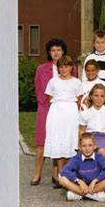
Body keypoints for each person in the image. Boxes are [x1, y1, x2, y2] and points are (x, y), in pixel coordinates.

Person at [31, 38, 77, 186]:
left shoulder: (72, 68)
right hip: (46, 108)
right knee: (42, 141)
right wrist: (44, 103)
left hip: (65, 110)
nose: (56, 52)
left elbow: (73, 88)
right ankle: (37, 173)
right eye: (53, 50)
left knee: (61, 139)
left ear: (63, 51)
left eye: (58, 50)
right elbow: (39, 89)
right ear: (49, 53)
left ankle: (56, 174)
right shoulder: (42, 69)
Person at [43, 55, 83, 189]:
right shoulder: (53, 81)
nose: (64, 69)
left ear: (71, 67)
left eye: (66, 66)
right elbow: (50, 98)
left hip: (71, 113)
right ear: (58, 68)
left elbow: (79, 101)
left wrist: (72, 112)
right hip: (56, 113)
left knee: (70, 142)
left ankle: (68, 175)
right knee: (58, 142)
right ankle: (61, 175)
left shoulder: (77, 82)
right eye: (61, 66)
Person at [59, 133, 105, 202]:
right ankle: (95, 196)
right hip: (81, 187)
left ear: (95, 146)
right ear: (80, 147)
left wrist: (96, 180)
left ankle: (79, 195)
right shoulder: (77, 158)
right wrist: (78, 181)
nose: (87, 148)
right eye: (84, 146)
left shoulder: (98, 157)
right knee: (62, 179)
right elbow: (64, 171)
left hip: (96, 185)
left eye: (90, 145)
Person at [79, 84, 105, 161]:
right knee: (87, 152)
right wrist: (80, 144)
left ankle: (104, 172)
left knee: (102, 152)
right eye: (96, 95)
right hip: (89, 137)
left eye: (102, 96)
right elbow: (82, 131)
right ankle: (89, 171)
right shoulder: (85, 113)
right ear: (91, 96)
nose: (99, 98)